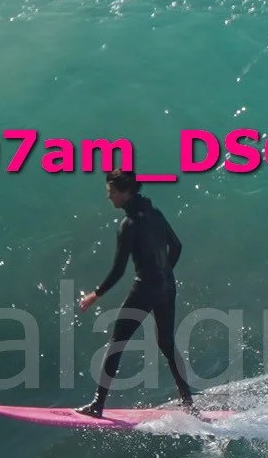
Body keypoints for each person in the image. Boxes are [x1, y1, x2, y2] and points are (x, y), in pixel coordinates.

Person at [76, 170, 196, 415]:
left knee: (116, 343)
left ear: (125, 192)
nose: (109, 198)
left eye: (112, 192)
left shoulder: (128, 225)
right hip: (167, 285)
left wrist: (95, 294)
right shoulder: (155, 213)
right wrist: (163, 273)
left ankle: (97, 406)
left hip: (145, 288)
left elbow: (119, 270)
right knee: (166, 342)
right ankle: (187, 401)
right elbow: (177, 246)